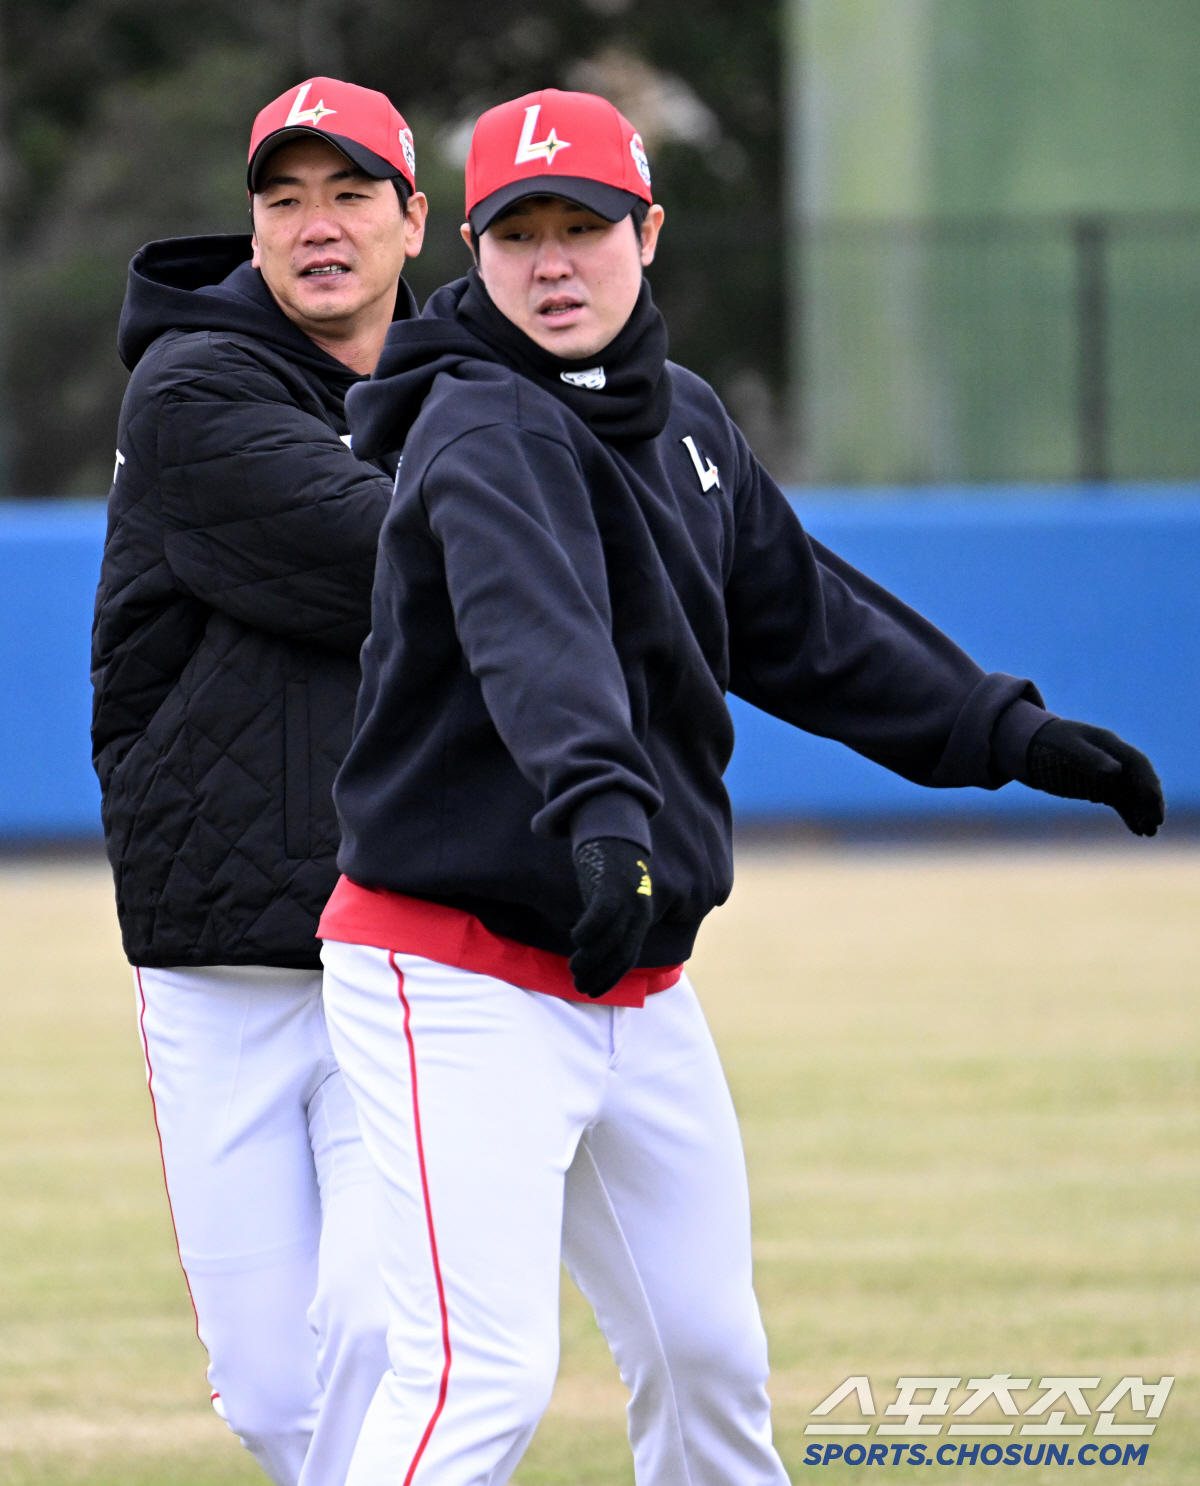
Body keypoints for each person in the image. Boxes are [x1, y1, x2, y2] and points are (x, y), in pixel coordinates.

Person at [316, 88, 1165, 1486]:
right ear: (474, 254)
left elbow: (806, 621)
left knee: (711, 1364)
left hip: (630, 977)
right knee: (484, 1379)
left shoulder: (687, 423)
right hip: (453, 976)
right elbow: (542, 639)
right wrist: (602, 812)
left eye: (581, 226)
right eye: (515, 233)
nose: (551, 261)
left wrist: (1004, 732)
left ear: (646, 235)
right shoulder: (479, 427)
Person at [90, 77, 427, 1486]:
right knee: (276, 1397)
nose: (316, 225)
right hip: (217, 954)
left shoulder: (477, 389)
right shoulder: (193, 385)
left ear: (416, 219)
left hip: (402, 937)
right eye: (282, 198)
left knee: (379, 1330)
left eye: (350, 192)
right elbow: (380, 547)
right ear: (251, 229)